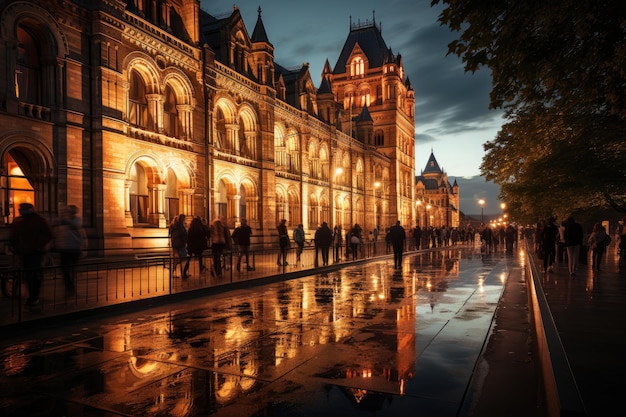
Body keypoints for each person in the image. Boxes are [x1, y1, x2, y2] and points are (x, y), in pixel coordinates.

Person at [10, 203, 54, 306]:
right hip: (27, 252)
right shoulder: (22, 221)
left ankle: (33, 296)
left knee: (32, 275)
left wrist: (40, 246)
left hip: (33, 252)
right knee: (30, 275)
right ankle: (33, 296)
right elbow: (14, 236)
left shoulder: (36, 221)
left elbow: (48, 235)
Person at [54, 205, 85, 292]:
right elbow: (56, 230)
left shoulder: (76, 220)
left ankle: (70, 284)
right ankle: (69, 284)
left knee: (71, 268)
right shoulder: (61, 220)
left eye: (69, 211)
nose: (68, 212)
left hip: (74, 249)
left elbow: (76, 226)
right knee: (65, 269)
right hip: (64, 249)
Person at [169, 214, 190, 278]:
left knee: (177, 258)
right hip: (180, 244)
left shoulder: (174, 225)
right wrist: (185, 241)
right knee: (184, 258)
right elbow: (183, 234)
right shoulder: (180, 225)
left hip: (175, 244)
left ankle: (174, 272)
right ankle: (182, 273)